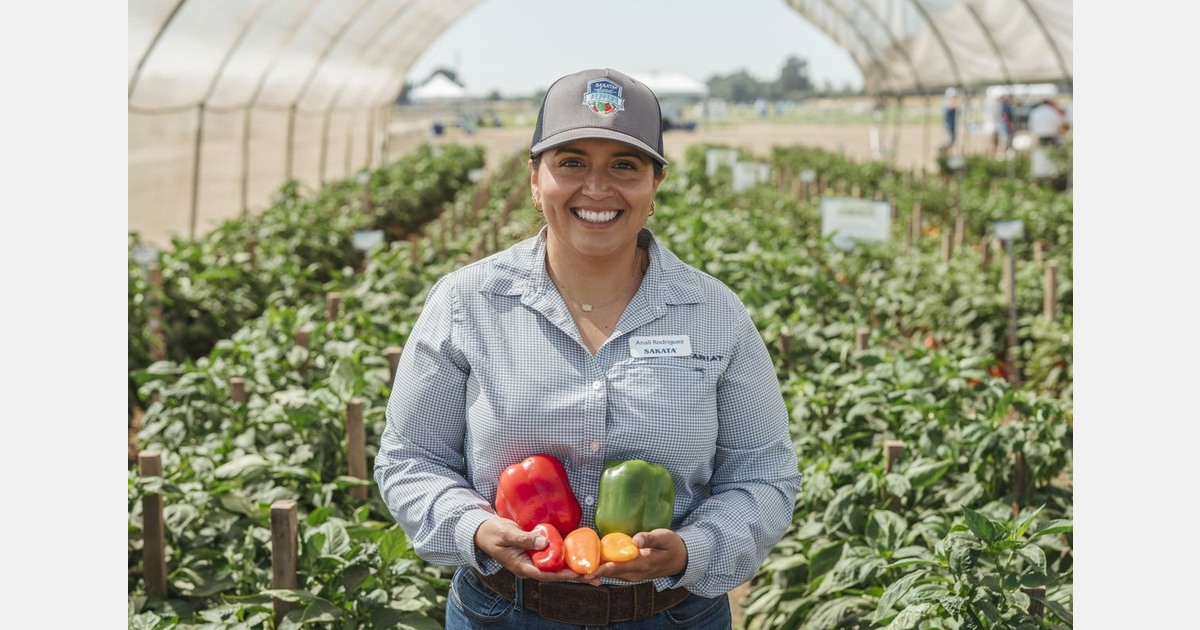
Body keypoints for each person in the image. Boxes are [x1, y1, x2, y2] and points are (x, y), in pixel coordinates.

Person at [374, 67, 803, 629]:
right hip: (505, 613)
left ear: (655, 186)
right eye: (571, 162)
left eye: (625, 165)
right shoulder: (466, 302)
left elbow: (765, 473)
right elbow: (409, 460)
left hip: (672, 615)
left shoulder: (714, 312)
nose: (597, 188)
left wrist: (694, 548)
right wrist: (473, 527)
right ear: (535, 180)